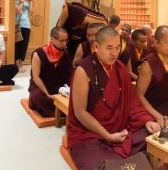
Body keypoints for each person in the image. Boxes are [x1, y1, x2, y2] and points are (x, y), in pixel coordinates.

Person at [66, 27, 160, 170]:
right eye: (109, 48)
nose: (115, 53)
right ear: (96, 47)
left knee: (153, 137)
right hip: (89, 133)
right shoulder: (83, 70)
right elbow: (80, 113)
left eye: (117, 47)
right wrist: (108, 136)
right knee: (99, 164)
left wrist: (146, 120)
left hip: (118, 127)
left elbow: (131, 103)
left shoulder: (120, 68)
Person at [28, 27, 74, 117]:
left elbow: (70, 74)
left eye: (66, 40)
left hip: (59, 87)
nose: (64, 44)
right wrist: (47, 94)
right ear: (52, 38)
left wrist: (69, 90)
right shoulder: (39, 53)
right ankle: (62, 110)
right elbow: (36, 77)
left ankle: (62, 108)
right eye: (61, 41)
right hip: (42, 87)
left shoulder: (66, 53)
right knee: (37, 97)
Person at [15, 0, 32, 66]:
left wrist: (30, 0)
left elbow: (31, 12)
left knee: (24, 45)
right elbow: (17, 11)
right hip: (19, 26)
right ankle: (17, 65)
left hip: (27, 26)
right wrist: (21, 2)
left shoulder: (25, 2)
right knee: (18, 45)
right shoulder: (13, 1)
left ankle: (21, 63)